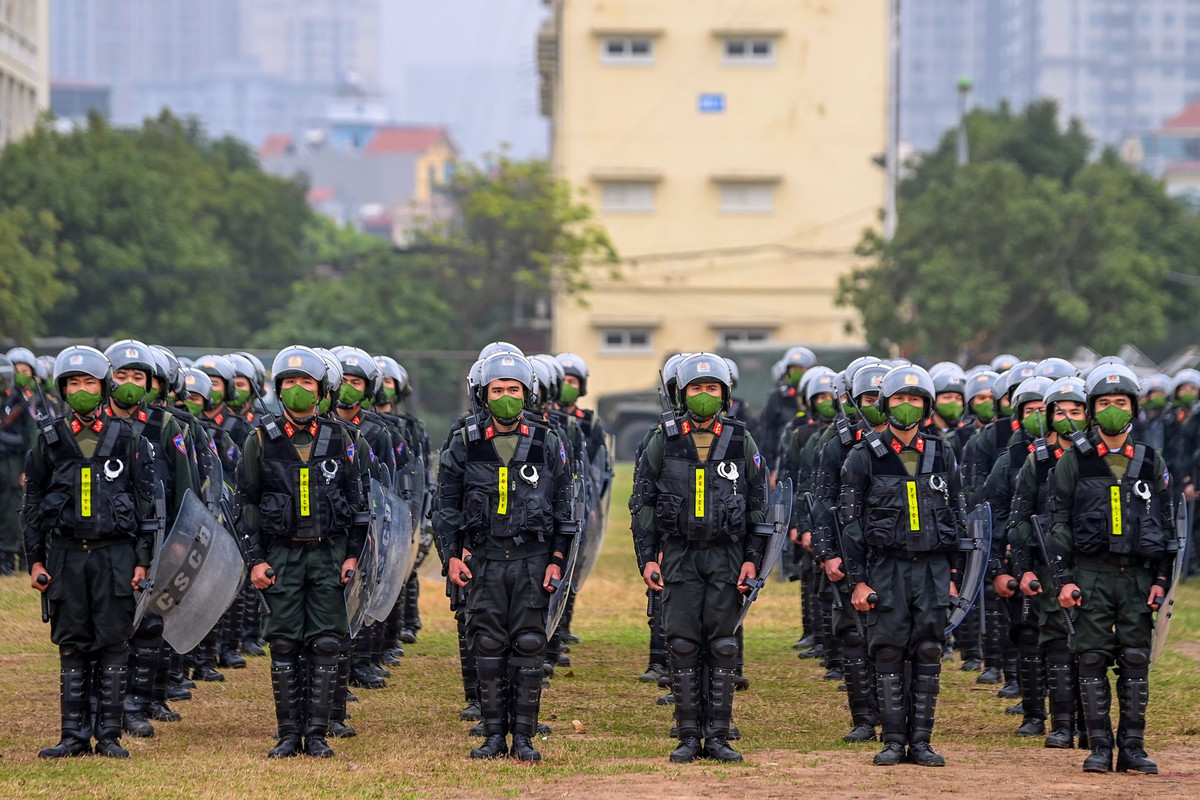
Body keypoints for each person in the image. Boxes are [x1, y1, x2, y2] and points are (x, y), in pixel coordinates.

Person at [435, 350, 576, 762]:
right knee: (489, 645)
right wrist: (451, 557)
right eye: (498, 390)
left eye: (514, 389)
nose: (506, 397)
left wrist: (557, 559)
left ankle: (525, 738)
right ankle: (494, 736)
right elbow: (446, 506)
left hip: (533, 559)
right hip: (484, 558)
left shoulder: (548, 442)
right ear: (484, 394)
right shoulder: (464, 442)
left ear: (527, 393)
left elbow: (565, 509)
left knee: (530, 645)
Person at [632, 353, 768, 764]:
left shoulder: (742, 440)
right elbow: (644, 502)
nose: (704, 395)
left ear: (725, 394)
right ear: (682, 393)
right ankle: (689, 736)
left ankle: (720, 736)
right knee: (683, 644)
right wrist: (647, 558)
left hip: (726, 556)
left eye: (712, 388)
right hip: (678, 554)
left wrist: (752, 558)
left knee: (723, 646)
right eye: (696, 388)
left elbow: (759, 504)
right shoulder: (663, 438)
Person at [24, 346, 157, 758]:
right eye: (73, 383)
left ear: (104, 386)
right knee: (73, 644)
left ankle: (110, 735)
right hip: (65, 554)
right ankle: (73, 735)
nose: (81, 390)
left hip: (114, 555)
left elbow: (146, 505)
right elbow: (32, 503)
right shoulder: (49, 440)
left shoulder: (128, 437)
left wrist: (142, 559)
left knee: (113, 643)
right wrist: (35, 560)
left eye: (89, 382)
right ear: (63, 389)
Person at [238, 346, 368, 759]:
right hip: (281, 556)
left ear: (321, 390)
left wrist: (352, 556)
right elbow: (247, 506)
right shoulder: (259, 440)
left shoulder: (342, 439)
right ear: (278, 389)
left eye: (306, 382)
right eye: (289, 383)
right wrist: (255, 560)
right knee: (284, 645)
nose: (297, 389)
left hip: (329, 555)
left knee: (327, 643)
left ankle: (318, 733)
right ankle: (288, 734)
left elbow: (358, 504)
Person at [1050, 365, 1177, 774]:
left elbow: (1169, 525)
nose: (1111, 410)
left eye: (1119, 403)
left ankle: (1133, 748)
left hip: (1139, 576)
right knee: (1090, 659)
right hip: (1091, 573)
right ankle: (1099, 747)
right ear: (1091, 410)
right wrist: (1064, 579)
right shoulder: (1075, 461)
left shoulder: (1151, 461)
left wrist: (1161, 580)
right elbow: (1058, 523)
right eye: (1103, 403)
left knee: (1136, 659)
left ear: (1133, 408)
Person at [841, 364, 967, 767]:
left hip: (931, 569)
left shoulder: (941, 451)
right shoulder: (864, 457)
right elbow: (849, 524)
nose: (907, 406)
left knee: (929, 650)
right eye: (899, 398)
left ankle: (922, 741)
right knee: (889, 651)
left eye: (915, 399)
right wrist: (858, 582)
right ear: (884, 404)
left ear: (926, 406)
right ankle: (893, 741)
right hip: (886, 567)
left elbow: (957, 516)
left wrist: (953, 577)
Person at [102, 339, 199, 739]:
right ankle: (103, 706)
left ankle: (137, 704)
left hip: (155, 537)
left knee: (148, 624)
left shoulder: (167, 426)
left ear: (150, 382)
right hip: (107, 536)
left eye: (136, 376)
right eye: (121, 375)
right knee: (107, 623)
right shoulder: (93, 425)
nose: (128, 382)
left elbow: (184, 486)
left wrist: (180, 538)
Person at [0, 354, 36, 575]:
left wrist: (27, 467)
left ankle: (8, 554)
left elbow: (30, 436)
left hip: (13, 463)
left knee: (10, 511)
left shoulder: (20, 401)